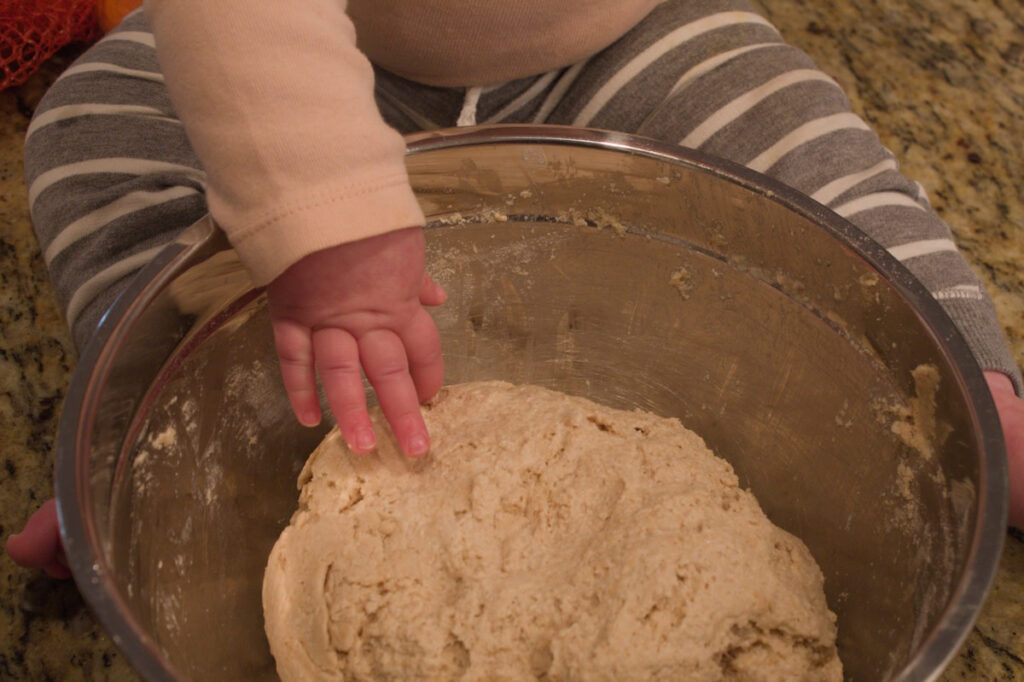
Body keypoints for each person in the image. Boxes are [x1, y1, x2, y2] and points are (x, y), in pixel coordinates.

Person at [7, 0, 1023, 579]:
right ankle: (131, 439)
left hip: (622, 34)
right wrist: (315, 205)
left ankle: (980, 405)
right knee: (93, 129)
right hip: (325, 50)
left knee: (803, 147)